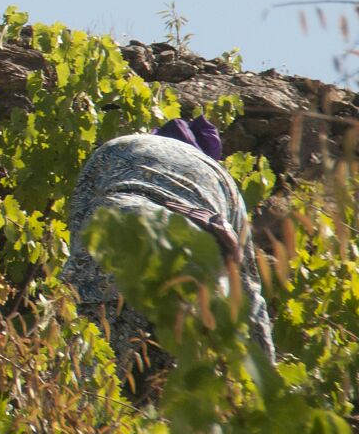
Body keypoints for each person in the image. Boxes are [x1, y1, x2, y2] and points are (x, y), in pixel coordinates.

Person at [59, 119, 276, 387]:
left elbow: (80, 223)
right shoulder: (222, 179)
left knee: (85, 372)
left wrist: (78, 284)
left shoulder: (119, 146)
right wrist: (265, 377)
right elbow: (248, 289)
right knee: (175, 382)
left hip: (118, 241)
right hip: (194, 269)